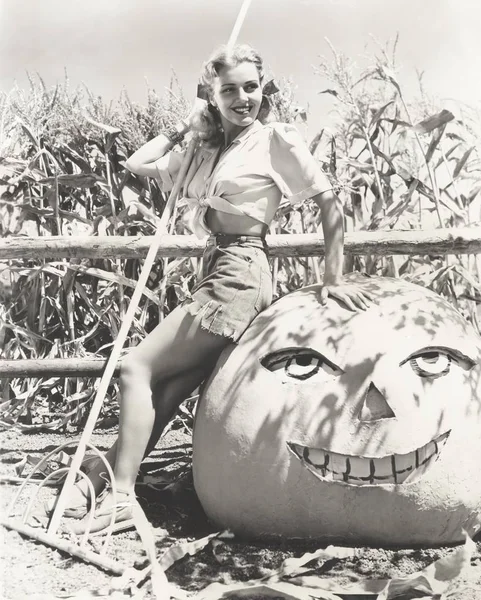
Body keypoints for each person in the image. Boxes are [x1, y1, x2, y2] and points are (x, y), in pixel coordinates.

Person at [49, 44, 372, 534]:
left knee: (136, 366)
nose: (243, 98)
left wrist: (332, 278)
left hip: (241, 271)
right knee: (170, 386)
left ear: (263, 89)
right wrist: (189, 124)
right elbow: (140, 162)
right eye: (228, 90)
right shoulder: (209, 148)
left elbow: (329, 204)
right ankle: (102, 479)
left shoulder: (273, 140)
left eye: (250, 87)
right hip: (217, 266)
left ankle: (118, 498)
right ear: (213, 96)